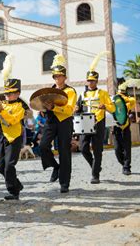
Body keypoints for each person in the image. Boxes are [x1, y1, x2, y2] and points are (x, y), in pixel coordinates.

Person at [39, 54, 77, 193]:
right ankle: (55, 166)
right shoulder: (49, 91)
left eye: (59, 76)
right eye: (55, 76)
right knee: (43, 146)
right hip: (51, 121)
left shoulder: (70, 91)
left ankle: (64, 183)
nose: (57, 78)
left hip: (64, 122)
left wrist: (54, 108)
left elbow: (69, 110)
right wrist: (42, 110)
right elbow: (42, 104)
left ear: (65, 77)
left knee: (64, 152)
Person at [76, 52, 116, 184]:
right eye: (88, 80)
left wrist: (105, 106)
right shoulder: (82, 94)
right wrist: (76, 109)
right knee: (83, 148)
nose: (90, 82)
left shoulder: (103, 93)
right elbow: (78, 109)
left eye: (92, 80)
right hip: (85, 123)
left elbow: (113, 108)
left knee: (97, 150)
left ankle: (95, 175)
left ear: (96, 81)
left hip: (98, 122)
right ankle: (96, 166)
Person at [0, 76, 25, 200]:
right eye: (6, 92)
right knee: (1, 166)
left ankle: (14, 191)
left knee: (9, 166)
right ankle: (17, 184)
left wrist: (1, 110)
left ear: (17, 93)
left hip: (14, 138)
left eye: (10, 93)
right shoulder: (3, 105)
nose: (7, 95)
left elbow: (12, 120)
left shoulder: (20, 107)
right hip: (3, 137)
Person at [113, 81, 136, 175]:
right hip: (116, 126)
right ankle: (123, 163)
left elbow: (131, 102)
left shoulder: (130, 100)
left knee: (127, 148)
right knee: (117, 149)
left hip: (126, 126)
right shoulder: (114, 99)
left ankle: (127, 167)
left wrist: (122, 97)